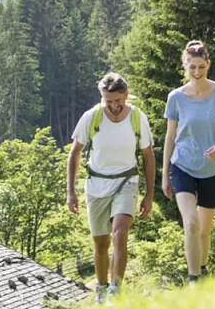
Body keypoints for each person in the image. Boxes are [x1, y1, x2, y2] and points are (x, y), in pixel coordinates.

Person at [67, 72, 155, 303]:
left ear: (126, 95)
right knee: (101, 242)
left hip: (127, 181)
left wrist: (149, 195)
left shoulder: (137, 118)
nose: (115, 106)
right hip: (97, 184)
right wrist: (70, 192)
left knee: (120, 233)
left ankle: (117, 288)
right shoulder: (91, 117)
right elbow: (75, 153)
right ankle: (102, 288)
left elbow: (148, 156)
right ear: (102, 98)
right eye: (109, 101)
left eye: (119, 100)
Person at [161, 40, 215, 283]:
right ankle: (193, 279)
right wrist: (165, 175)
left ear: (208, 65)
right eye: (192, 67)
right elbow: (170, 136)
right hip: (182, 165)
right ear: (185, 66)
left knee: (204, 230)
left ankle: (202, 270)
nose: (196, 73)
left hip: (214, 168)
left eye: (201, 68)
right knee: (191, 223)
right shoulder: (175, 98)